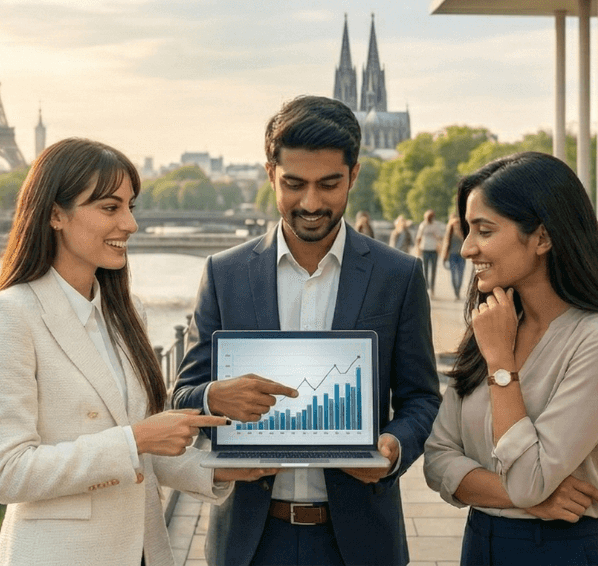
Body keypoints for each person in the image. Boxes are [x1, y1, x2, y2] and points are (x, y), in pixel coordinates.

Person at [0, 138, 272, 564]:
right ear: (55, 213)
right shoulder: (7, 315)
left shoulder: (127, 313)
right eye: (110, 208)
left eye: (131, 207)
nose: (130, 224)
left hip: (144, 549)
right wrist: (135, 439)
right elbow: (8, 473)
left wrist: (219, 469)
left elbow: (145, 452)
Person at [170, 96, 441, 566]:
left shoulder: (399, 276)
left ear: (354, 175)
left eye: (329, 184)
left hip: (359, 543)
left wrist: (393, 448)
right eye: (294, 184)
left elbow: (422, 398)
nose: (311, 203)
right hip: (250, 542)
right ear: (270, 173)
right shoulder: (223, 274)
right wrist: (216, 396)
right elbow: (183, 395)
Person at [424, 151, 598, 565]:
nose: (466, 249)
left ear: (543, 238)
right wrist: (529, 499)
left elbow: (530, 477)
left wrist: (500, 365)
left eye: (484, 230)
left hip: (563, 550)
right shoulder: (494, 323)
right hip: (481, 543)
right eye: (468, 230)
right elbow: (438, 458)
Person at [418, 210, 448, 294]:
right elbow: (419, 237)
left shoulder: (435, 225)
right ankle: (427, 287)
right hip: (425, 249)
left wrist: (436, 235)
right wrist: (418, 248)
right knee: (426, 269)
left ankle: (432, 288)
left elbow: (440, 237)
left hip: (434, 250)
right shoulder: (422, 225)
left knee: (433, 270)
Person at [446, 216, 468, 299]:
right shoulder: (450, 232)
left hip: (461, 256)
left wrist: (459, 233)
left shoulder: (462, 232)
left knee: (460, 275)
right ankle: (455, 291)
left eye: (458, 224)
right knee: (453, 275)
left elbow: (465, 242)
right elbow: (446, 243)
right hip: (452, 255)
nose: (456, 225)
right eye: (454, 224)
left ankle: (458, 290)